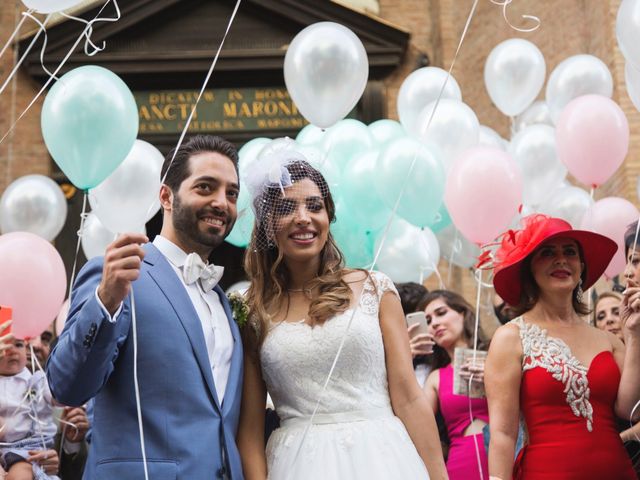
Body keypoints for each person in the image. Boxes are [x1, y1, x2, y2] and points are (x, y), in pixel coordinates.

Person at [237, 153, 447, 479]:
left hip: (383, 460)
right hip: (297, 465)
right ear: (266, 225)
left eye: (315, 206)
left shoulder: (375, 289)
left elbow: (408, 398)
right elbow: (249, 430)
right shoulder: (253, 313)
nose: (303, 217)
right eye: (287, 208)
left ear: (328, 216)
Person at [46, 135, 245, 479]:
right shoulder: (117, 275)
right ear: (166, 196)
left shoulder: (221, 300)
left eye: (231, 193)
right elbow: (67, 386)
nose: (221, 202)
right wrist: (105, 300)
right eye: (205, 187)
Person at [485, 214, 640, 480]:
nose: (561, 259)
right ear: (529, 269)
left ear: (581, 266)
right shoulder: (510, 338)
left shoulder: (608, 340)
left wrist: (635, 335)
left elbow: (629, 409)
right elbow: (503, 433)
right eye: (547, 253)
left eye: (570, 251)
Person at [419, 290, 489, 480]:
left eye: (441, 313)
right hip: (461, 463)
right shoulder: (436, 377)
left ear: (462, 313)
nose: (434, 323)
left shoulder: (498, 354)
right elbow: (416, 422)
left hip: (504, 456)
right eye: (428, 320)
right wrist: (405, 356)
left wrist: (494, 378)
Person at [0, 337, 60, 479]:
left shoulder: (38, 380)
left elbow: (59, 398)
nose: (13, 351)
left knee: (20, 475)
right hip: (2, 446)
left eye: (19, 345)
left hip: (28, 449)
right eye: (4, 346)